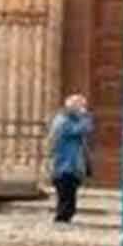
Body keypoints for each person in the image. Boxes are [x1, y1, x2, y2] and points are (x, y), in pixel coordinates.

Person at [48, 94, 92, 225]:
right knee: (65, 192)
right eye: (81, 106)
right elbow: (83, 129)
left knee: (69, 192)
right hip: (65, 163)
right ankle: (62, 218)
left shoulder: (69, 119)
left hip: (70, 163)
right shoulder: (63, 121)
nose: (83, 109)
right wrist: (85, 116)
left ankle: (65, 217)